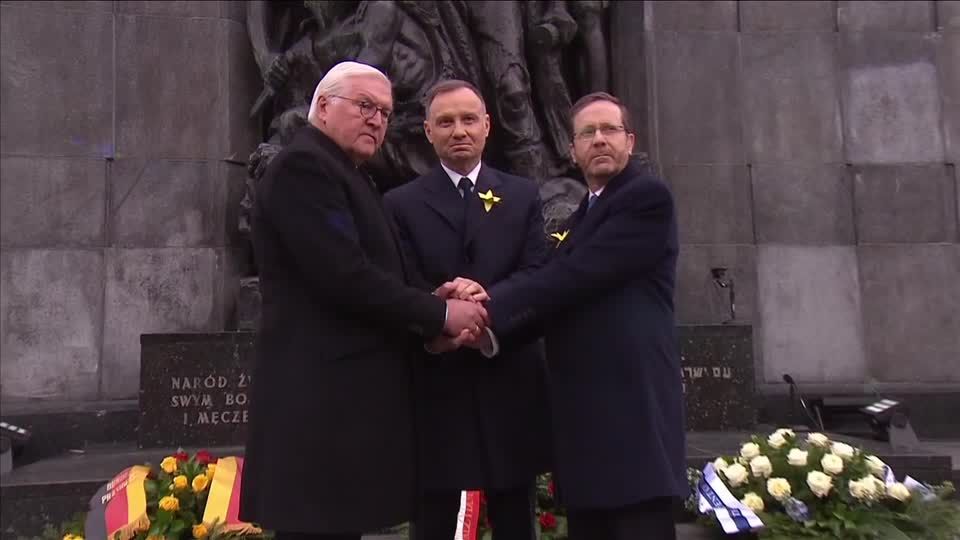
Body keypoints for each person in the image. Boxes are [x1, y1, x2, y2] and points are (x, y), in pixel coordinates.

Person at [239, 61, 489, 540]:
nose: (377, 119)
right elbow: (344, 277)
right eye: (365, 106)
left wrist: (427, 299)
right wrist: (439, 314)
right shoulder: (304, 168)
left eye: (386, 113)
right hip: (318, 412)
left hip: (339, 411)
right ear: (324, 106)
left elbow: (371, 272)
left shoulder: (348, 174)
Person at [443, 92, 686, 539]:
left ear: (630, 141)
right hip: (586, 428)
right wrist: (487, 336)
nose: (599, 140)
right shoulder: (580, 216)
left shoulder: (645, 198)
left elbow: (571, 277)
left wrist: (485, 304)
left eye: (609, 130)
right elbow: (555, 298)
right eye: (587, 133)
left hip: (632, 418)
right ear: (572, 150)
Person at [384, 80, 551, 540]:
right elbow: (399, 284)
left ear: (487, 126)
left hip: (508, 379)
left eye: (468, 119)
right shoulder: (400, 203)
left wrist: (486, 311)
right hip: (438, 385)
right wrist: (441, 314)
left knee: (516, 520)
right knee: (434, 522)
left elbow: (538, 276)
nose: (459, 130)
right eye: (446, 122)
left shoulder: (521, 196)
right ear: (428, 131)